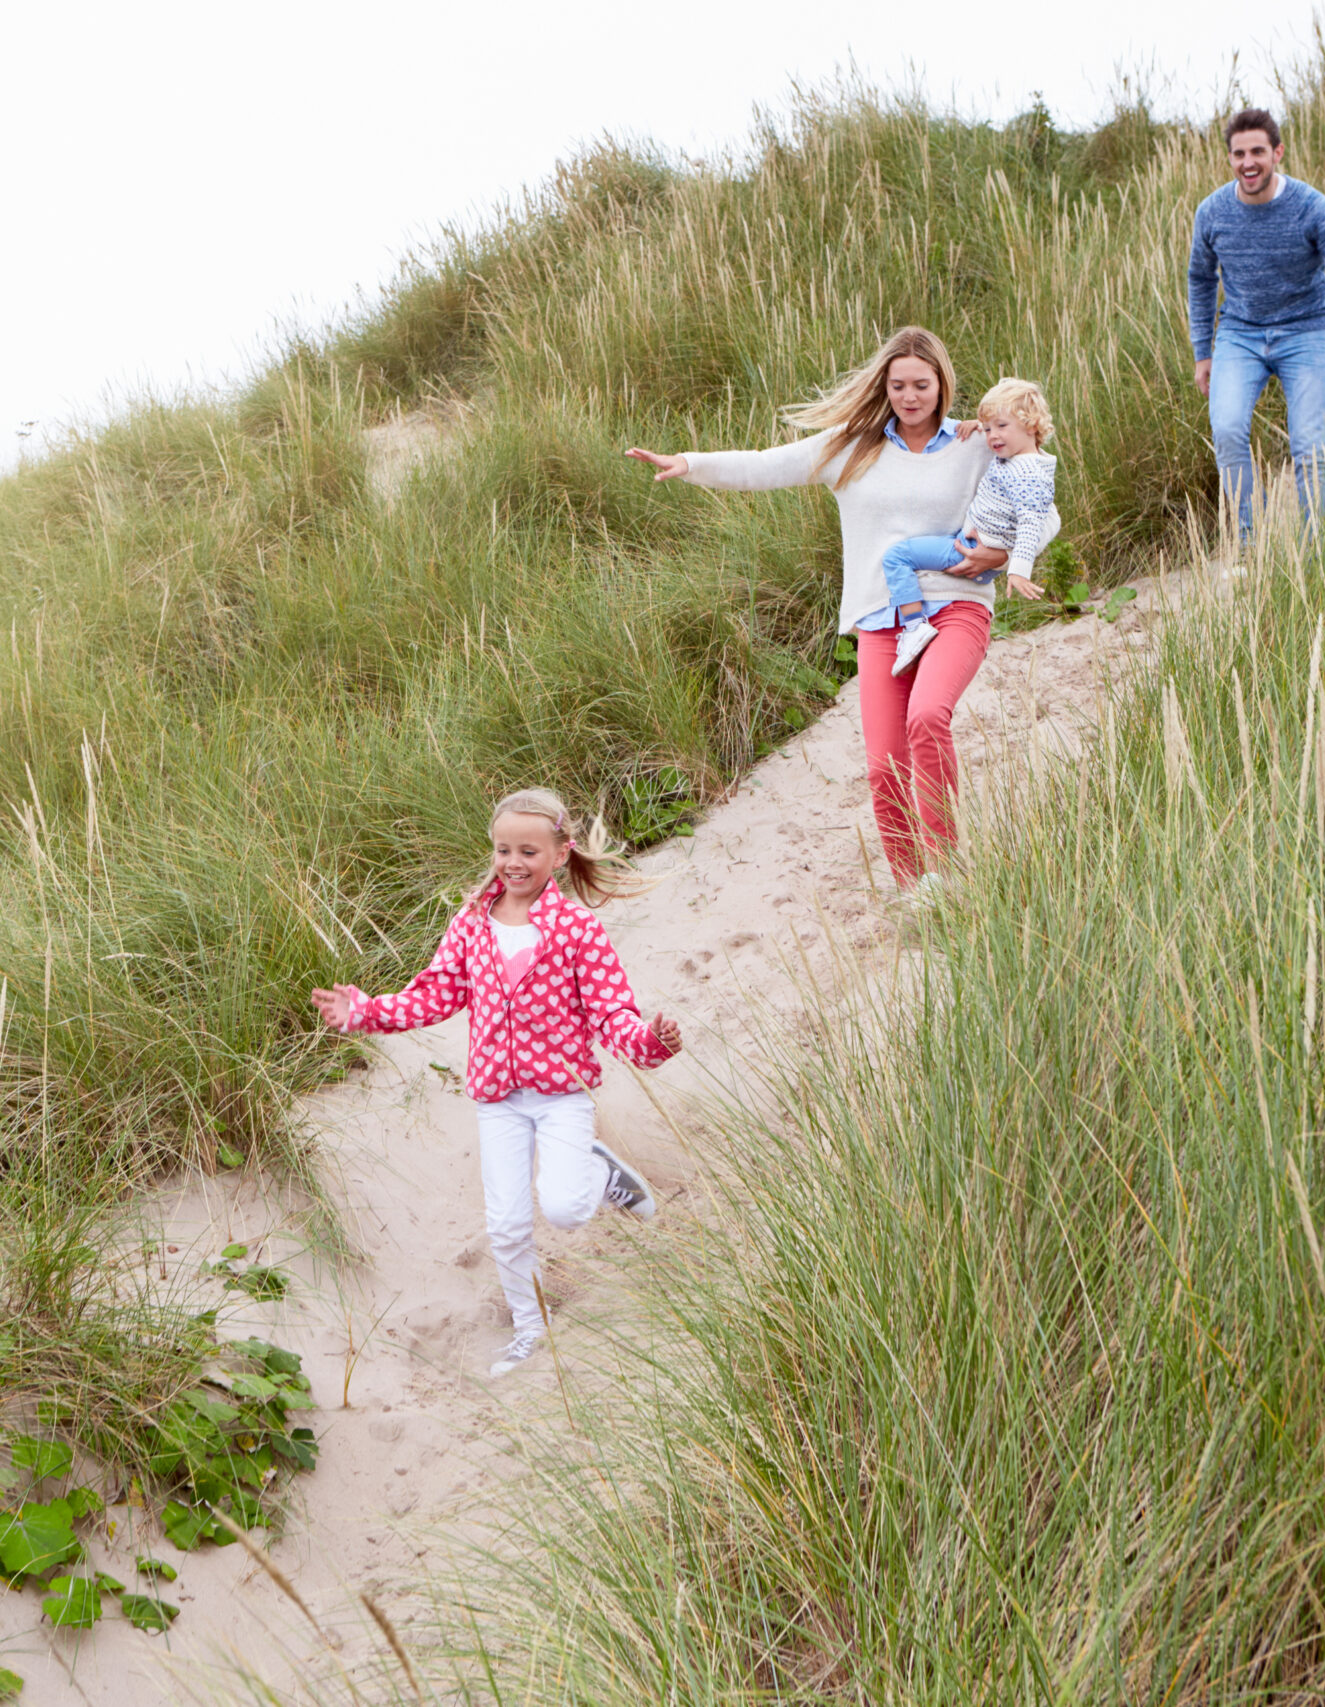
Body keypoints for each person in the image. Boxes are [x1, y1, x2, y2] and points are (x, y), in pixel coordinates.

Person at [311, 789, 681, 1379]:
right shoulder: (471, 925)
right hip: (498, 1099)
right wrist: (367, 1011)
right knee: (506, 1224)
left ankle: (602, 1171)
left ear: (560, 854)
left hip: (561, 1095)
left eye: (529, 851)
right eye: (504, 849)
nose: (513, 862)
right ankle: (530, 1329)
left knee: (562, 1209)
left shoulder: (578, 929)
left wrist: (652, 1041)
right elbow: (434, 994)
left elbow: (614, 1014)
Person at [627, 326, 1002, 896]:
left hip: (956, 606)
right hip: (882, 619)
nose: (909, 396)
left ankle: (947, 869)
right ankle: (914, 887)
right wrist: (689, 463)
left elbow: (1034, 494)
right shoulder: (851, 447)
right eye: (897, 385)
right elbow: (764, 465)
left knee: (928, 716)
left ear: (942, 384)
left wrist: (1002, 554)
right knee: (883, 767)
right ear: (884, 386)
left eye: (921, 384)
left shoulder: (974, 445)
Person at [1188, 106, 1325, 549]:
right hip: (1240, 334)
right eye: (1239, 154)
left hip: (1305, 331)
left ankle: (1317, 552)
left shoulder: (1311, 207)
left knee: (1308, 446)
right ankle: (1248, 543)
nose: (1248, 162)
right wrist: (1203, 351)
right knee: (1229, 429)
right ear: (1230, 159)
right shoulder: (1213, 212)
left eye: (1258, 151)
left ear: (1277, 153)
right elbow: (1200, 279)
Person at [880, 377, 1061, 675]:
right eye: (989, 428)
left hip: (972, 549)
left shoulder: (1027, 473)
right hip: (974, 538)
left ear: (1031, 425)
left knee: (896, 557)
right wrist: (977, 426)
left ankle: (914, 626)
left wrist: (1017, 568)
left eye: (1001, 426)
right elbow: (997, 434)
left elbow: (1031, 523)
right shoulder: (1024, 457)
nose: (992, 436)